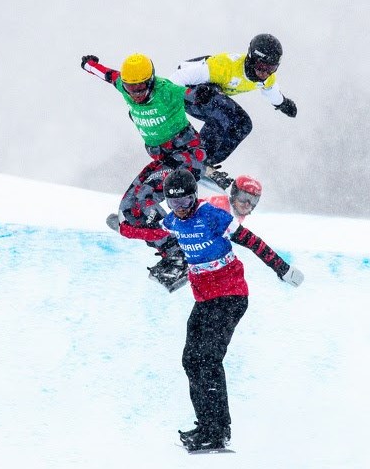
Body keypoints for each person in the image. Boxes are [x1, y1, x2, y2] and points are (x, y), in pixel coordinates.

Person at [152, 169, 303, 452]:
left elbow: (252, 241)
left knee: (207, 360)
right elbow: (149, 230)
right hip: (205, 298)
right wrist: (123, 224)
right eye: (174, 204)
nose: (180, 210)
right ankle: (205, 425)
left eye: (185, 202)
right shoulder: (172, 221)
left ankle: (218, 431)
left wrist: (282, 268)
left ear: (194, 197)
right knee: (190, 360)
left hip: (231, 296)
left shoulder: (212, 216)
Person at [80, 53, 210, 291]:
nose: (136, 94)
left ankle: (181, 252)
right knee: (129, 209)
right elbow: (108, 75)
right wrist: (88, 64)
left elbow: (188, 94)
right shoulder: (124, 86)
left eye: (141, 87)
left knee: (146, 197)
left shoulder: (166, 90)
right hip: (163, 159)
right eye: (131, 89)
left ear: (150, 81)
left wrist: (200, 94)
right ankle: (164, 245)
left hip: (186, 155)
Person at [168, 34, 297, 167]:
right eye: (261, 67)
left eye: (271, 69)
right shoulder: (224, 66)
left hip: (211, 96)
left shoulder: (267, 79)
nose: (264, 73)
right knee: (223, 114)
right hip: (188, 90)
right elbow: (175, 79)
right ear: (251, 59)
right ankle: (197, 159)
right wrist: (187, 96)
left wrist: (283, 104)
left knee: (243, 124)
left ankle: (208, 162)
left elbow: (271, 92)